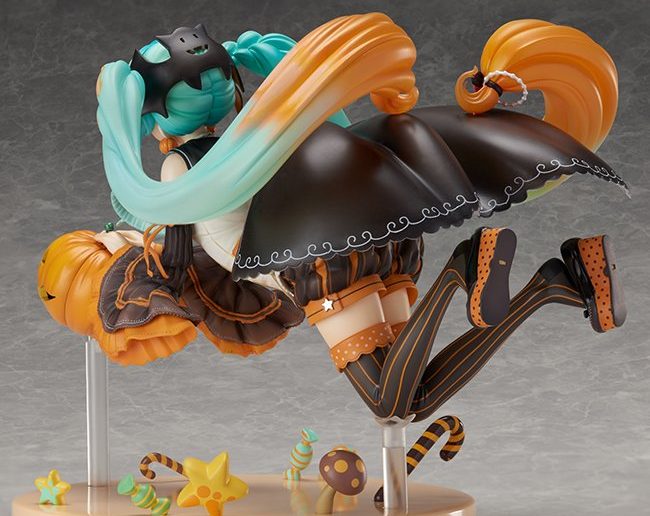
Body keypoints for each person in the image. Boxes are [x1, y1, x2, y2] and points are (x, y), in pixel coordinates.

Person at [91, 14, 627, 415]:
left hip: (316, 265)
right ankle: (555, 282)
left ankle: (461, 269)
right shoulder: (263, 137)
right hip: (377, 240)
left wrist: (129, 253)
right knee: (411, 397)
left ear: (154, 115)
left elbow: (175, 246)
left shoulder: (183, 169)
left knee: (387, 402)